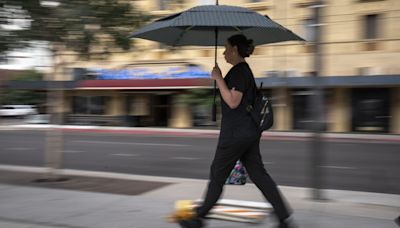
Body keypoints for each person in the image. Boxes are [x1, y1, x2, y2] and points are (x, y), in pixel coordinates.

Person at [177, 34, 294, 228]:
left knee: (217, 174)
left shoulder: (240, 71)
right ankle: (284, 218)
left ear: (235, 50)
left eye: (226, 48)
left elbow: (233, 101)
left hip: (235, 134)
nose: (223, 52)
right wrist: (221, 79)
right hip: (248, 132)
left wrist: (218, 78)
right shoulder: (242, 71)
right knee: (258, 175)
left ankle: (198, 217)